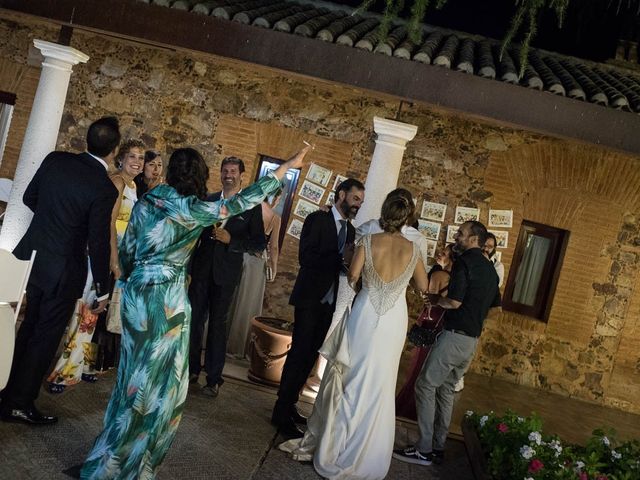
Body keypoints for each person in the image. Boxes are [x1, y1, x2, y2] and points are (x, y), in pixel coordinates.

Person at [79, 146, 309, 479]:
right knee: (160, 389)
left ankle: (109, 456)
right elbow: (241, 202)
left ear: (171, 172)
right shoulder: (193, 209)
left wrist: (129, 283)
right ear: (200, 176)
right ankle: (133, 464)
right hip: (167, 302)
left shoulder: (147, 201)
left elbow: (126, 254)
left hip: (136, 294)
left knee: (131, 379)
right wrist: (285, 166)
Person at [279, 194, 429, 480]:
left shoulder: (368, 242)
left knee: (351, 376)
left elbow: (352, 277)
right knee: (381, 382)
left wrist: (365, 276)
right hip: (394, 319)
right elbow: (423, 286)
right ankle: (368, 451)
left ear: (385, 213)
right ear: (408, 217)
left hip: (365, 312)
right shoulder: (414, 249)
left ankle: (337, 443)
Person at [0, 117, 120, 425]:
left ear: (87, 139)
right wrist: (103, 289)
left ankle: (6, 392)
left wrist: (50, 223)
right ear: (113, 150)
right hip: (64, 269)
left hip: (31, 258)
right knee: (44, 337)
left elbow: (29, 198)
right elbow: (97, 241)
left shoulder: (55, 160)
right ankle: (19, 402)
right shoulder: (103, 188)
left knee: (25, 329)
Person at [394, 221, 501, 467]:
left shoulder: (465, 263)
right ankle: (438, 447)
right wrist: (475, 315)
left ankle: (423, 449)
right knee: (445, 391)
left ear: (474, 238)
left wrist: (435, 300)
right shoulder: (490, 269)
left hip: (453, 336)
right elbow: (496, 311)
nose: (456, 237)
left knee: (424, 386)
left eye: (461, 234)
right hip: (471, 341)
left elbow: (453, 302)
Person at [272, 178, 365, 438]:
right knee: (299, 353)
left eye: (361, 201)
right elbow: (306, 257)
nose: (358, 205)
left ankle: (290, 404)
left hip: (329, 300)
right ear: (342, 194)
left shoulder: (351, 231)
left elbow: (343, 265)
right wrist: (338, 258)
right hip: (309, 297)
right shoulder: (317, 219)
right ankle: (280, 411)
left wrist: (350, 267)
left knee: (312, 354)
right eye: (356, 199)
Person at [188, 156, 267, 397]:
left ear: (242, 175)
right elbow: (194, 237)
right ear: (220, 173)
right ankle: (191, 371)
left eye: (233, 170)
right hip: (201, 270)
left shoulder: (250, 206)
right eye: (225, 171)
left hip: (227, 273)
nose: (228, 175)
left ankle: (213, 379)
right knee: (193, 322)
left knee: (218, 327)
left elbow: (259, 243)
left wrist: (231, 240)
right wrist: (189, 270)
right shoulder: (209, 200)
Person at [93, 139, 145, 373]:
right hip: (109, 251)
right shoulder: (117, 182)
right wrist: (114, 258)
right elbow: (109, 221)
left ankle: (96, 361)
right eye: (132, 156)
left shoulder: (133, 186)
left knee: (109, 311)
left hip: (124, 254)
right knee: (97, 308)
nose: (137, 162)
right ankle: (83, 362)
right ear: (121, 159)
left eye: (141, 158)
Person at [396, 244, 454, 420]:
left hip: (428, 320)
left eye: (444, 253)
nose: (439, 254)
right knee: (424, 369)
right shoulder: (444, 276)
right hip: (436, 322)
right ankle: (412, 409)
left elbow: (424, 292)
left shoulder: (438, 274)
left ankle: (407, 406)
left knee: (418, 367)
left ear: (451, 258)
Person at [226, 191, 282, 358]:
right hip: (257, 262)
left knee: (230, 298)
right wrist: (274, 266)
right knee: (247, 304)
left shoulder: (248, 207)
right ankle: (236, 347)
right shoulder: (274, 218)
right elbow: (274, 247)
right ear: (276, 197)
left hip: (239, 254)